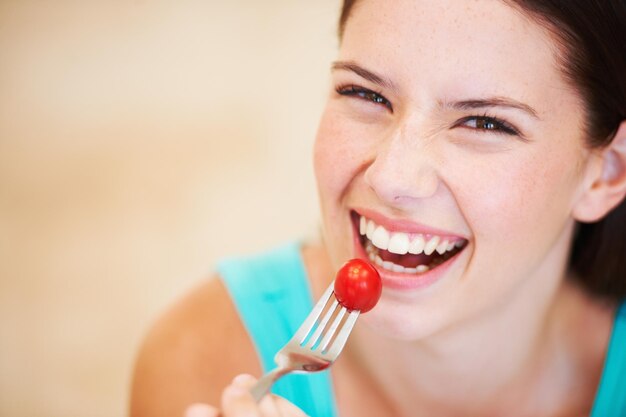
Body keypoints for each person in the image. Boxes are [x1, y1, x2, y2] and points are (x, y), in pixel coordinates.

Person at [130, 0, 626, 415]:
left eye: (485, 124)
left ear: (606, 173)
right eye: (364, 92)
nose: (391, 178)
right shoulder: (200, 357)